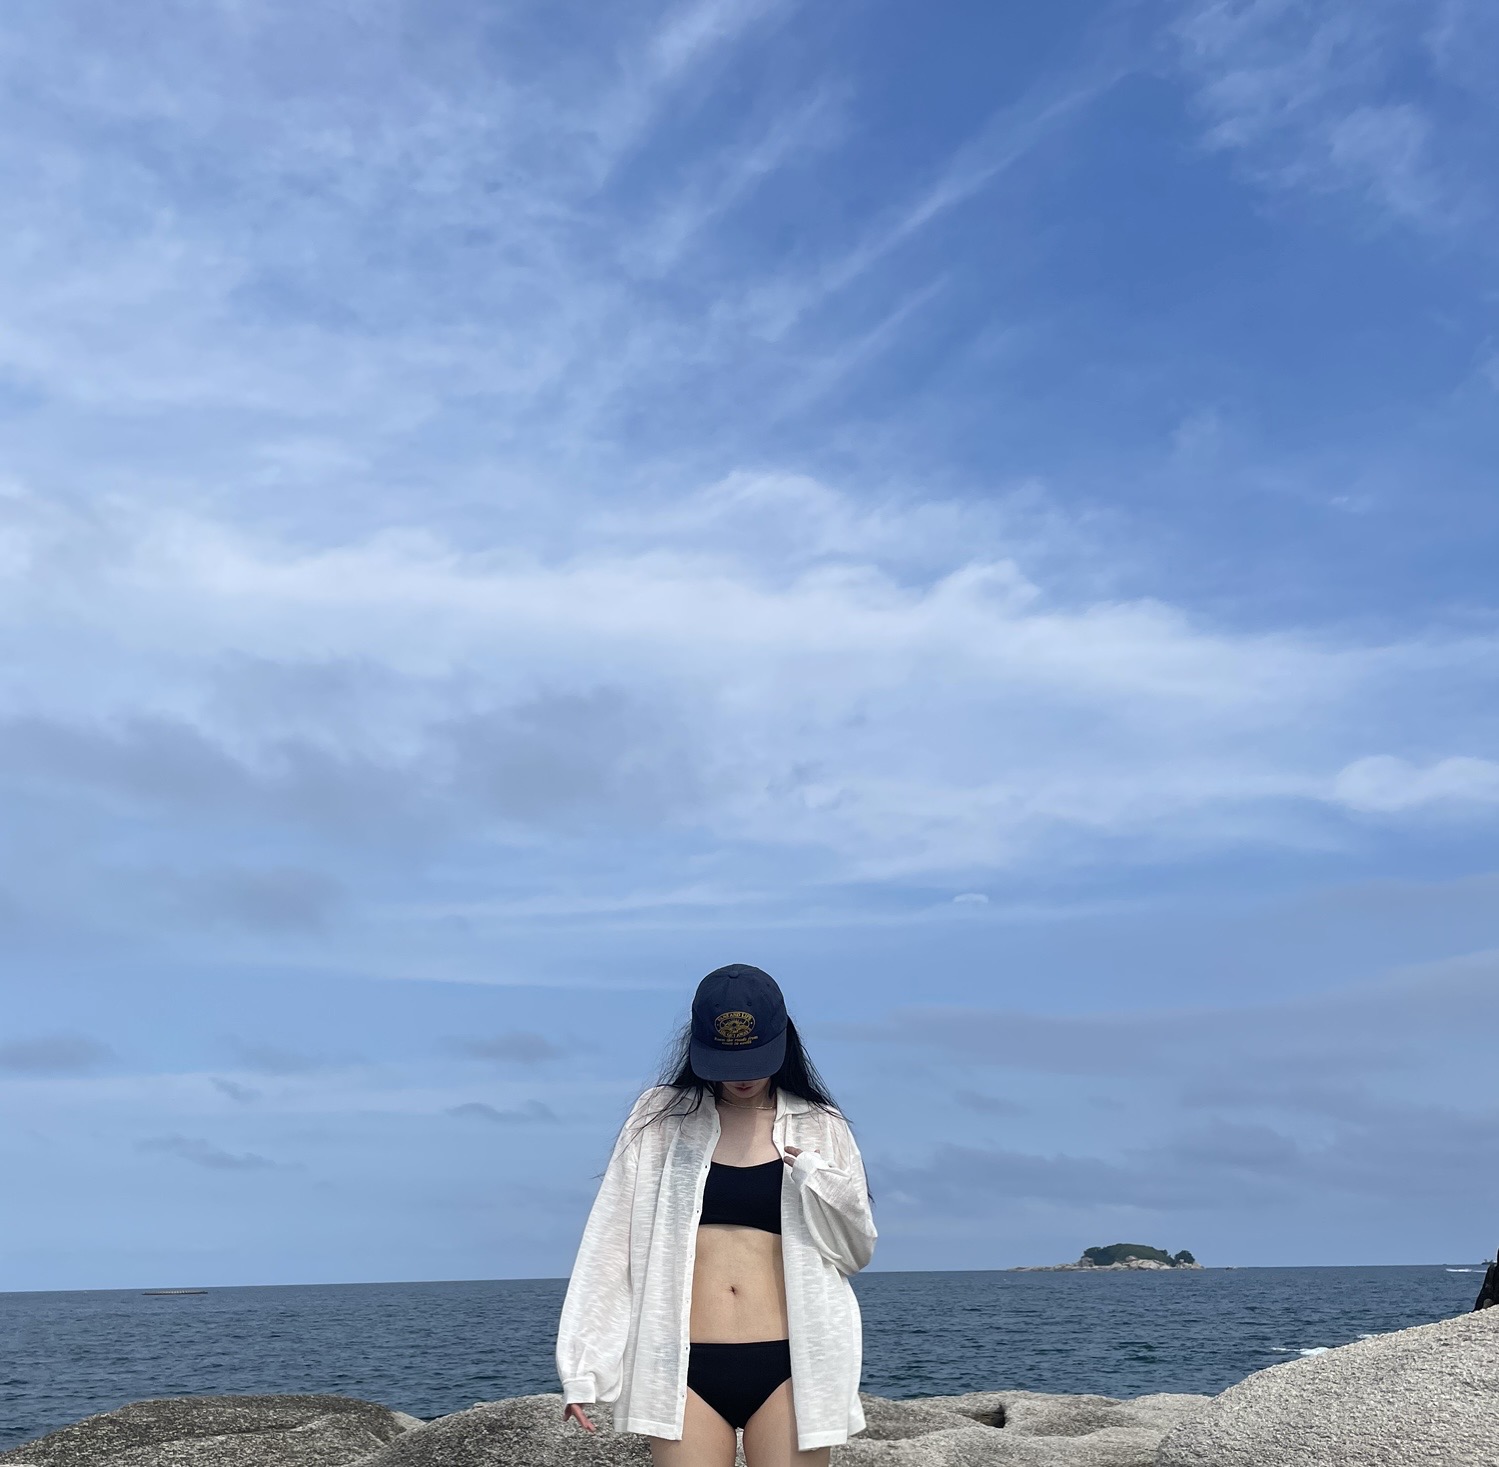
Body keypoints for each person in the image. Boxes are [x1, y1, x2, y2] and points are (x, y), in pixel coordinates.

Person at [555, 963, 877, 1466]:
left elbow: (856, 1251)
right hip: (681, 1367)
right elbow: (611, 1239)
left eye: (754, 1059)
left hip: (793, 1363)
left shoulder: (819, 1124)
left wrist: (817, 1179)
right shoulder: (659, 1118)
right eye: (727, 1062)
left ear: (782, 1041)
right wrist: (583, 1365)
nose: (742, 1076)